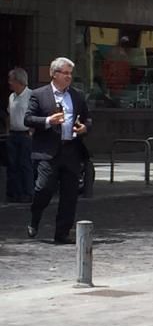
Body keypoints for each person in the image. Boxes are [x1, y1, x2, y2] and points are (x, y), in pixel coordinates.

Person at [25, 57, 91, 243]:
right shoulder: (39, 94)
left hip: (71, 150)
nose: (69, 77)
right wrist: (48, 121)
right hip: (48, 152)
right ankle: (35, 218)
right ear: (54, 74)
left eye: (71, 73)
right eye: (65, 73)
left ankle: (62, 232)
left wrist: (85, 128)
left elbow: (88, 118)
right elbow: (28, 119)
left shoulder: (77, 95)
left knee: (70, 195)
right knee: (44, 188)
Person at [6, 68, 34, 203]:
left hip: (25, 134)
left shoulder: (31, 95)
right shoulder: (11, 97)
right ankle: (14, 193)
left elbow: (36, 114)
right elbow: (9, 114)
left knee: (25, 164)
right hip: (13, 134)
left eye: (11, 80)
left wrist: (32, 131)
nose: (9, 83)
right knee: (13, 165)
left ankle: (28, 192)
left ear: (19, 81)